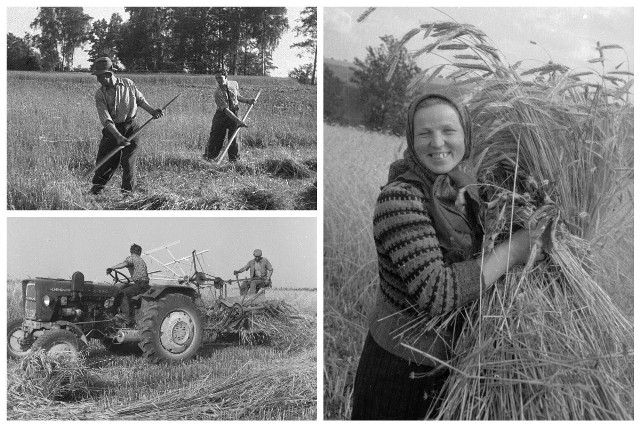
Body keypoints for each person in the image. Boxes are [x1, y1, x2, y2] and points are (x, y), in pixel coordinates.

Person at [351, 93, 544, 420]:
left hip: (454, 366)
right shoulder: (400, 199)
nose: (437, 142)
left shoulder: (469, 190)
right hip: (401, 371)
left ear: (466, 135)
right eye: (424, 133)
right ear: (411, 140)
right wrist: (514, 251)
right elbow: (436, 293)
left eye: (448, 131)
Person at [90, 57, 164, 195]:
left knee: (128, 161)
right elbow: (105, 118)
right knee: (106, 161)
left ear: (108, 74)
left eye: (99, 76)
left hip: (132, 127)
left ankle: (128, 193)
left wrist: (152, 111)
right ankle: (97, 189)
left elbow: (140, 100)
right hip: (112, 130)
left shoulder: (128, 83)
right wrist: (117, 136)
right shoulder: (100, 94)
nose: (98, 80)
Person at [204, 68, 256, 162]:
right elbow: (226, 110)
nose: (218, 80)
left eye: (220, 78)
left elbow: (237, 97)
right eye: (216, 78)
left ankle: (234, 160)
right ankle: (209, 158)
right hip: (221, 115)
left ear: (226, 76)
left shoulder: (234, 84)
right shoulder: (217, 93)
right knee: (216, 137)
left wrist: (248, 101)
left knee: (234, 138)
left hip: (235, 112)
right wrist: (238, 121)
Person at [107, 243, 150, 323]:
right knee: (120, 289)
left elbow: (124, 264)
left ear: (131, 251)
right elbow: (137, 275)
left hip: (140, 284)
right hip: (142, 284)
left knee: (123, 294)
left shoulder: (132, 258)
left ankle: (126, 316)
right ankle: (114, 312)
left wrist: (112, 268)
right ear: (139, 252)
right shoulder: (141, 261)